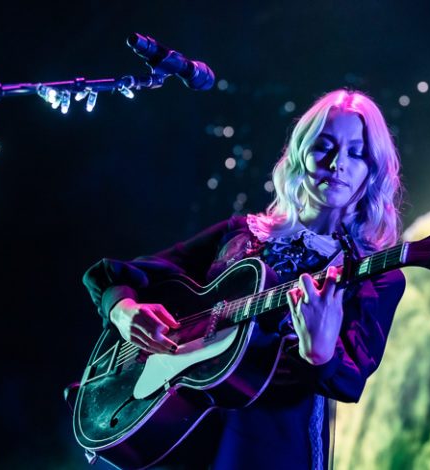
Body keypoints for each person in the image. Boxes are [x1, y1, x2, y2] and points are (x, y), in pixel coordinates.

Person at [83, 89, 406, 469]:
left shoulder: (374, 276)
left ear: (374, 169)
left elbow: (349, 380)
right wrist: (123, 311)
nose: (338, 164)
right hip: (184, 431)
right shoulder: (244, 233)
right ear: (300, 152)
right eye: (325, 146)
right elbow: (130, 275)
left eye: (357, 153)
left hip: (270, 449)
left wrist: (321, 353)